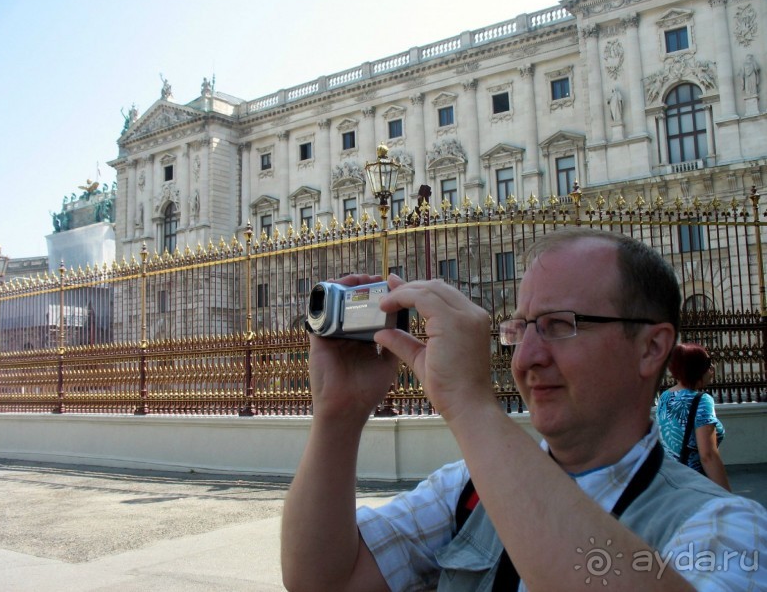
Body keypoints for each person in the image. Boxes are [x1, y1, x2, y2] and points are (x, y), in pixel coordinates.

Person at [281, 227, 766, 591]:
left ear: (650, 347)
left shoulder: (728, 529)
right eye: (521, 328)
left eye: (560, 325)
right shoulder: (466, 489)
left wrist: (470, 403)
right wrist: (338, 414)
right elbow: (325, 580)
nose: (526, 357)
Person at [657, 343, 730, 490]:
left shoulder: (665, 397)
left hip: (672, 483)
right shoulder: (702, 400)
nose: (713, 368)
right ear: (697, 368)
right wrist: (727, 495)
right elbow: (708, 455)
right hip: (697, 486)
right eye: (708, 363)